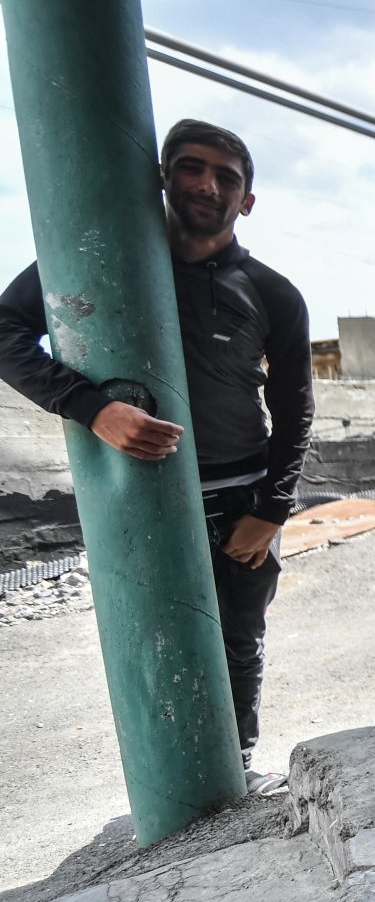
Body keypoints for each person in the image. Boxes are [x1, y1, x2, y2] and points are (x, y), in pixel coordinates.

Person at [0, 119, 312, 796]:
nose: (208, 185)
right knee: (150, 640)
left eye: (227, 177)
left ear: (247, 200)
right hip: (138, 497)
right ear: (163, 177)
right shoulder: (101, 266)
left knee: (236, 640)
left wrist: (271, 511)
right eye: (192, 168)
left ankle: (236, 770)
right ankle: (170, 783)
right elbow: (6, 332)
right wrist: (91, 407)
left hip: (240, 502)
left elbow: (296, 412)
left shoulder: (273, 293)